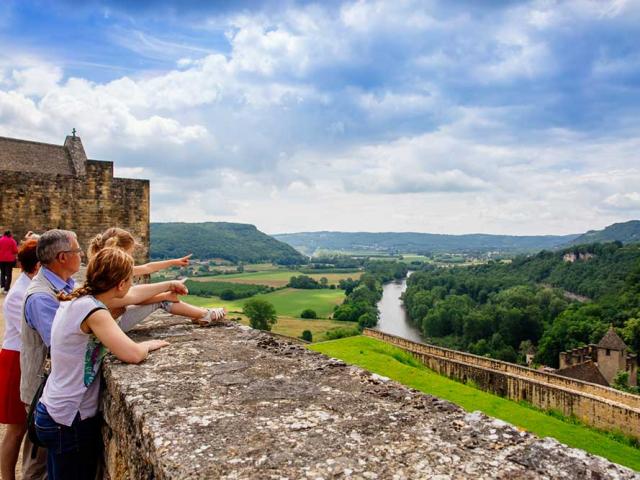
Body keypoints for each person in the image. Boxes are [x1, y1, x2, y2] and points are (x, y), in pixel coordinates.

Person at [20, 229, 187, 478]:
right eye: (129, 280)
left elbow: (131, 295)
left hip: (54, 411)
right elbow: (132, 354)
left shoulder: (79, 298)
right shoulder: (94, 311)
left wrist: (167, 285)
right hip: (69, 418)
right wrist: (147, 346)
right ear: (120, 284)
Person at [88, 228, 225, 326]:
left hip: (109, 321)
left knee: (161, 298)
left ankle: (201, 314)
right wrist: (165, 294)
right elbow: (131, 299)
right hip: (110, 326)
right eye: (130, 253)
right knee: (162, 301)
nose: (131, 257)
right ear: (121, 252)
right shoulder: (114, 274)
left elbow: (148, 268)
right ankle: (204, 314)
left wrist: (173, 262)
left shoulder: (102, 269)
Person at [0, 239, 39, 480]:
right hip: (16, 361)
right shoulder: (18, 295)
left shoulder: (29, 287)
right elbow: (31, 333)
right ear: (36, 266)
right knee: (15, 429)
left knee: (25, 426)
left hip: (24, 359)